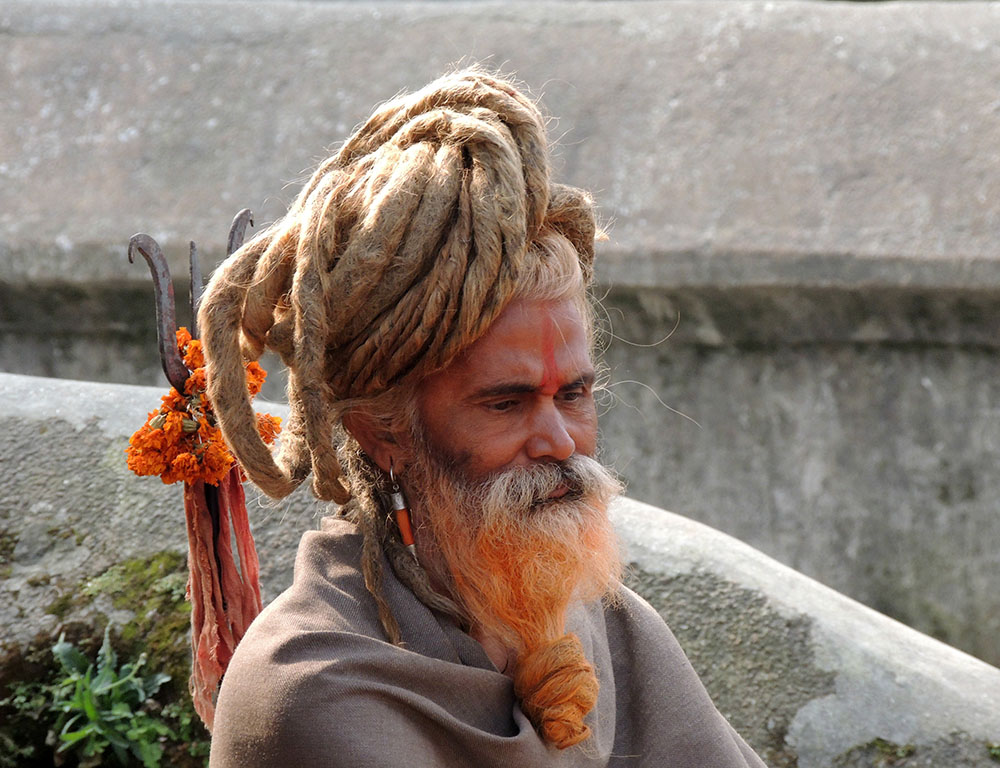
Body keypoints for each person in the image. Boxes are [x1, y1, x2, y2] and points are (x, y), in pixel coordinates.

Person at [199, 69, 767, 767]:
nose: (560, 442)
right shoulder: (315, 693)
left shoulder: (612, 631)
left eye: (574, 395)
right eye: (506, 403)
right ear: (381, 430)